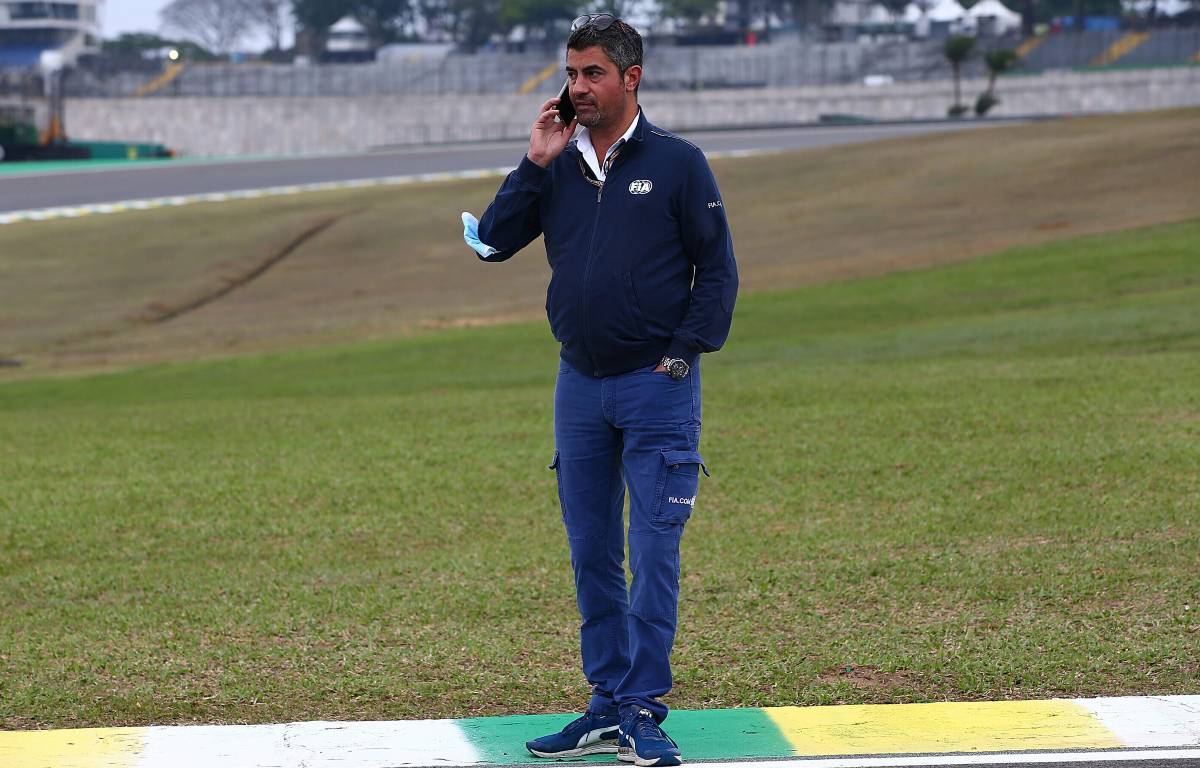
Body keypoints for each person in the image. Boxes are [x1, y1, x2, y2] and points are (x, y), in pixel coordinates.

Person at [463, 14, 737, 768]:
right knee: (592, 555)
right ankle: (605, 704)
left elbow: (717, 274)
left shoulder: (680, 164)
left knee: (653, 552)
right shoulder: (555, 163)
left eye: (593, 74)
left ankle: (645, 709)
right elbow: (490, 241)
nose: (578, 87)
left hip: (656, 386)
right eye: (572, 73)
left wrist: (682, 359)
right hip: (578, 386)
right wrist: (532, 159)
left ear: (631, 78)